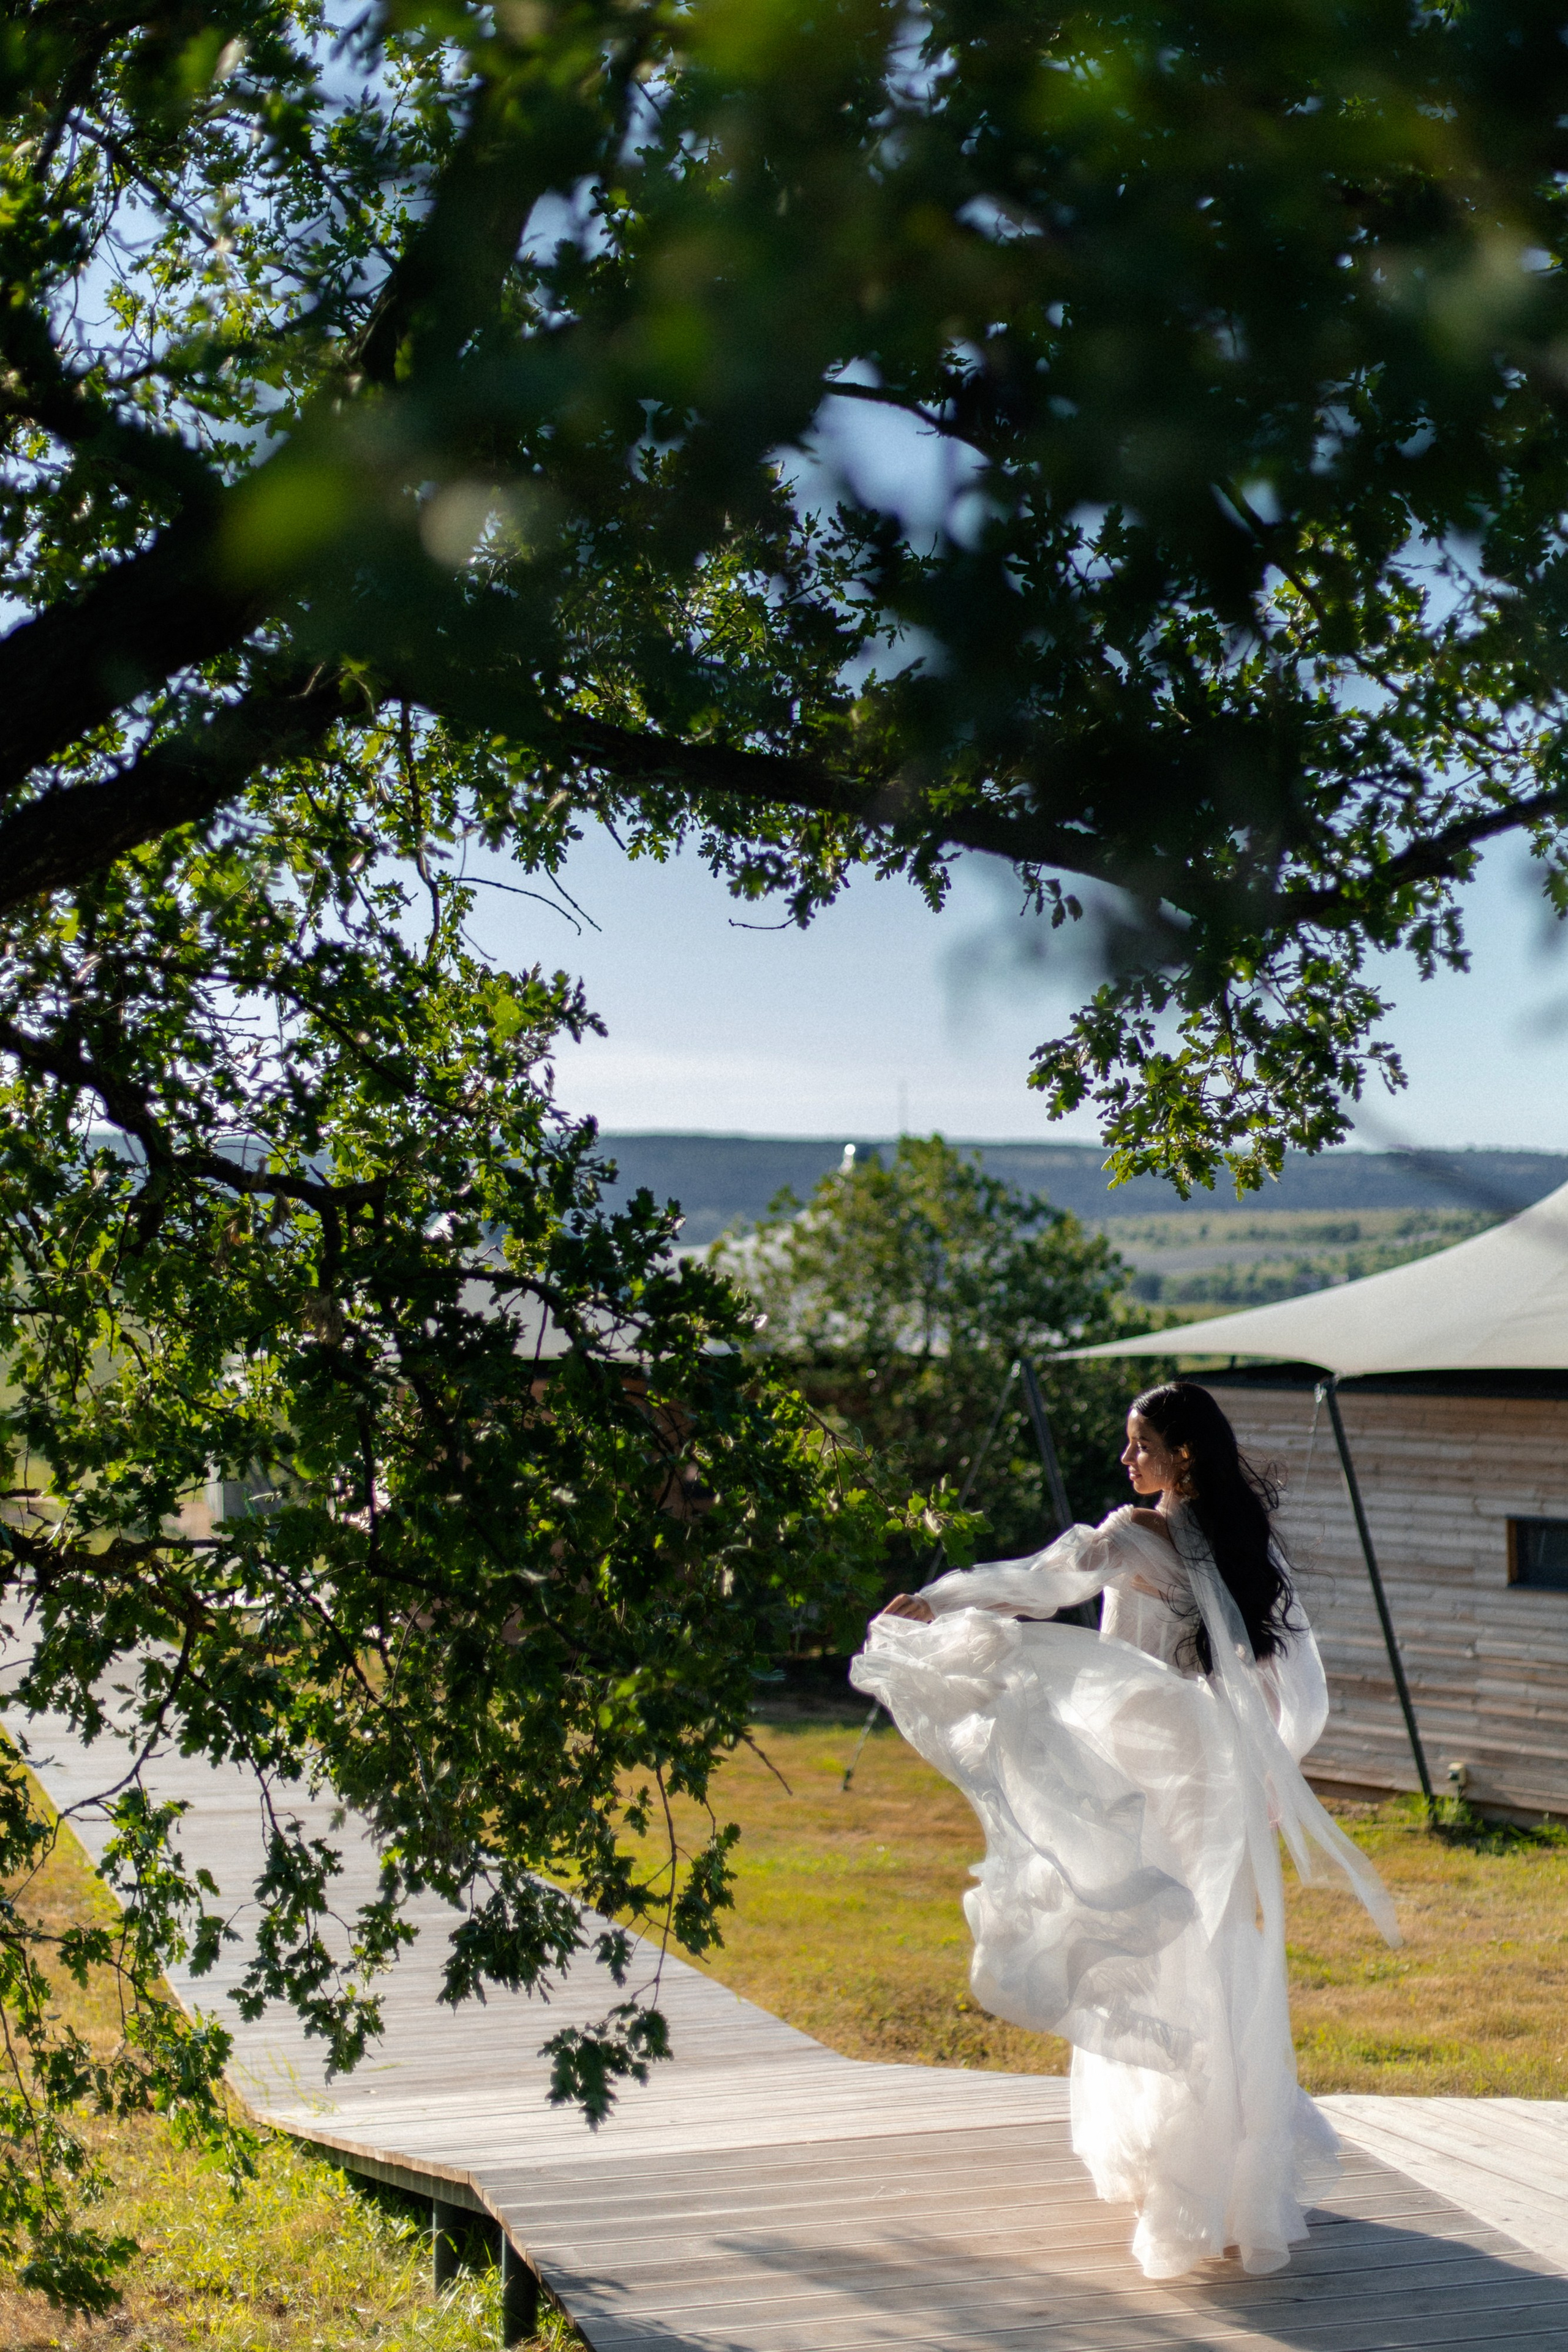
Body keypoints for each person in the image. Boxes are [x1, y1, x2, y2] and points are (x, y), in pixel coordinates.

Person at [850, 1378, 1399, 2282]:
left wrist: (941, 1603)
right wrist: (1269, 1768)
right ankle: (1232, 2170)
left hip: (1153, 1774)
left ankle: (1185, 2170)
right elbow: (1291, 1685)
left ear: (1182, 1453)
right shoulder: (1241, 1541)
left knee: (1158, 1950)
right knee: (1214, 1953)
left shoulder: (1135, 1533)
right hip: (1216, 1768)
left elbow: (1042, 1584)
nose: (1126, 1457)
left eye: (1140, 1442)